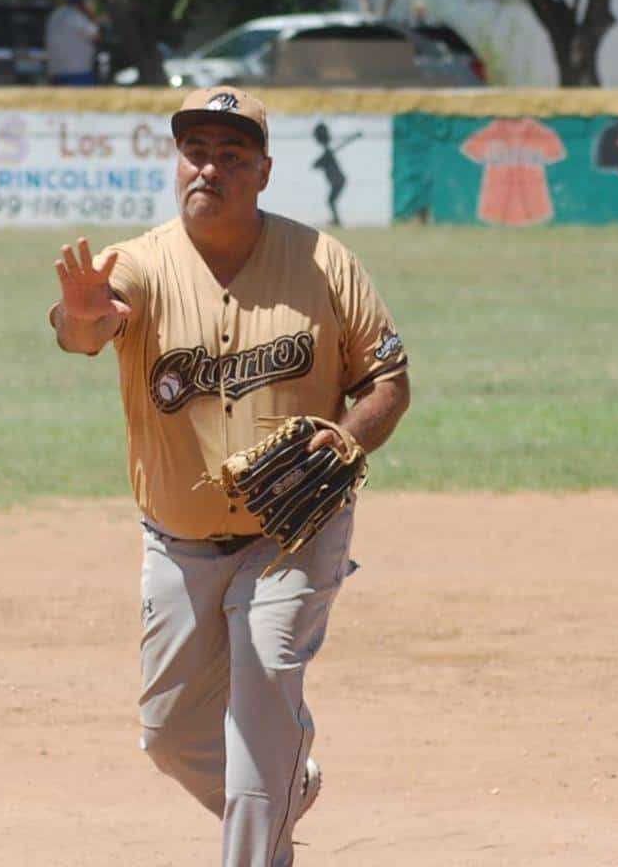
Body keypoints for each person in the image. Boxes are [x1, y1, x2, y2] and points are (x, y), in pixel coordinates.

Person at [47, 86, 410, 865]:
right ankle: (282, 784)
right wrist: (80, 314)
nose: (210, 167)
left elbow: (388, 382)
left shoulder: (323, 262)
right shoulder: (140, 265)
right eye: (196, 151)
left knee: (266, 693)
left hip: (293, 535)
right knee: (171, 734)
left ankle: (261, 820)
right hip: (176, 539)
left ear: (265, 172)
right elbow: (89, 327)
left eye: (232, 155)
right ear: (178, 164)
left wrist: (350, 441)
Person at [45, 0, 101, 85]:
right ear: (81, 2)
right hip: (79, 74)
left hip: (56, 73)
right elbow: (96, 36)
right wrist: (92, 14)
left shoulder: (54, 15)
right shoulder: (77, 17)